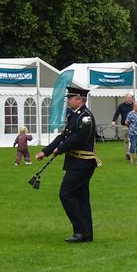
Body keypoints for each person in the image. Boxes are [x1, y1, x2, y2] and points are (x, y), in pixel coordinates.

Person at [36, 87, 100, 243]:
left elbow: (78, 138)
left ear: (79, 99)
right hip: (76, 162)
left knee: (66, 194)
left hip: (83, 162)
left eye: (70, 98)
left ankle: (81, 230)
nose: (68, 100)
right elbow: (64, 136)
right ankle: (86, 233)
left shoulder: (86, 117)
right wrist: (46, 151)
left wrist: (61, 149)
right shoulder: (74, 116)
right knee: (81, 197)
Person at [111, 93, 134, 161]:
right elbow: (116, 114)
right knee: (126, 140)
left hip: (133, 126)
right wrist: (113, 121)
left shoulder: (134, 105)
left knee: (131, 140)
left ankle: (130, 153)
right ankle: (127, 152)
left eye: (130, 98)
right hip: (124, 126)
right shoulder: (121, 106)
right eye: (128, 98)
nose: (129, 99)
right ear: (125, 98)